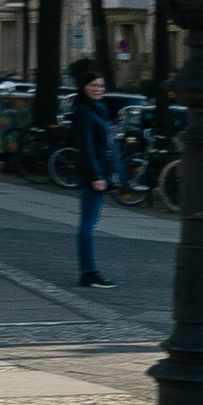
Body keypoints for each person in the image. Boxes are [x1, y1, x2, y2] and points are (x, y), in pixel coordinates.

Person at [71, 70, 120, 289]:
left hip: (101, 174)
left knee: (89, 223)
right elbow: (86, 147)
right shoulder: (83, 111)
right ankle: (89, 272)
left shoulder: (99, 109)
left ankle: (88, 271)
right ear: (83, 87)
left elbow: (107, 145)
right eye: (93, 85)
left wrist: (110, 176)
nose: (98, 88)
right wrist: (96, 176)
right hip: (93, 175)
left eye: (101, 85)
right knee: (87, 224)